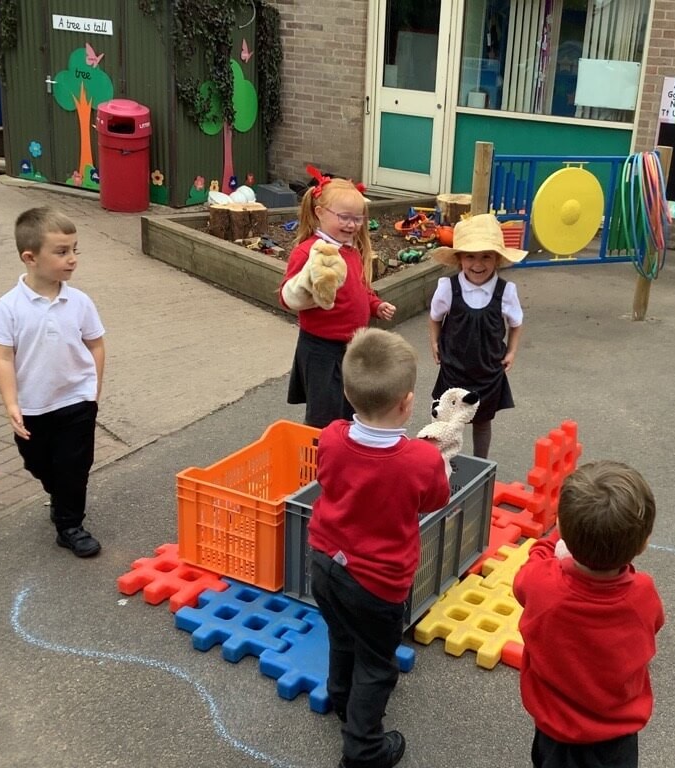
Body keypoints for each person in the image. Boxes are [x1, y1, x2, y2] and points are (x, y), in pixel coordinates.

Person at [308, 327, 450, 768]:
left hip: (325, 562)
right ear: (408, 402)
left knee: (341, 634)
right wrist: (438, 462)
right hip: (377, 583)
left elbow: (328, 478)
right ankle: (363, 748)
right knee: (376, 662)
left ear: (348, 394)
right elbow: (434, 501)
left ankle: (340, 697)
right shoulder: (420, 460)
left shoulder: (331, 435)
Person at [514, 461, 665, 768]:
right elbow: (655, 623)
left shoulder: (544, 586)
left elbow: (526, 574)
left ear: (565, 535)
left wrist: (551, 541)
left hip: (555, 731)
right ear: (644, 543)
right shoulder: (642, 593)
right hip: (617, 737)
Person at [0, 207, 106, 558]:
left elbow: (95, 343)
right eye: (62, 252)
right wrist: (11, 404)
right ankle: (59, 493)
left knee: (74, 466)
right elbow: (2, 356)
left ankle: (70, 526)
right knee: (38, 462)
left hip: (76, 400)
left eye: (74, 250)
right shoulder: (9, 307)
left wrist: (92, 388)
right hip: (34, 404)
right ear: (30, 257)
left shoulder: (79, 302)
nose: (72, 260)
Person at [279, 170, 396, 428]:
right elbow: (287, 297)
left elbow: (360, 288)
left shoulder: (349, 251)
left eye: (358, 218)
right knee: (324, 416)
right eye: (344, 217)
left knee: (350, 411)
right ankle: (320, 459)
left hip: (352, 347)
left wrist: (376, 305)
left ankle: (345, 457)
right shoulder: (309, 252)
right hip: (322, 349)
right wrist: (307, 291)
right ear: (320, 213)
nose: (352, 224)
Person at [427, 213, 525, 458]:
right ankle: (442, 463)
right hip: (454, 369)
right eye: (470, 256)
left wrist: (512, 351)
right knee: (447, 420)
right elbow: (435, 317)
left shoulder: (506, 291)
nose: (478, 264)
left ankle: (480, 464)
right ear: (459, 258)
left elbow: (516, 323)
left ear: (497, 259)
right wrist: (434, 342)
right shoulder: (448, 288)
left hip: (487, 372)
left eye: (486, 256)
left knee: (482, 421)